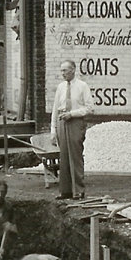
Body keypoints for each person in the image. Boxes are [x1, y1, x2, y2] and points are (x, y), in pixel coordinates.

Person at [49, 58, 92, 199]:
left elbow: (89, 108)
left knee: (76, 156)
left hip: (75, 122)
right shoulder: (61, 87)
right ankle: (65, 190)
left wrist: (72, 114)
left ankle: (78, 190)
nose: (63, 73)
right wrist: (53, 130)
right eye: (61, 70)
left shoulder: (82, 86)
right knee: (64, 157)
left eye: (65, 70)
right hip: (62, 122)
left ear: (73, 70)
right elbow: (55, 109)